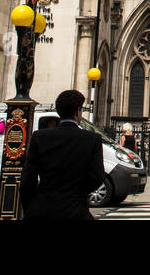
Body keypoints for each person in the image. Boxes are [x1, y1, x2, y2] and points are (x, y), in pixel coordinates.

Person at [20, 90, 105, 221]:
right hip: (76, 210)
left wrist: (31, 208)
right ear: (77, 111)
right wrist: (78, 194)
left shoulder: (39, 137)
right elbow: (97, 177)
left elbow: (27, 181)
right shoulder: (92, 139)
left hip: (42, 210)